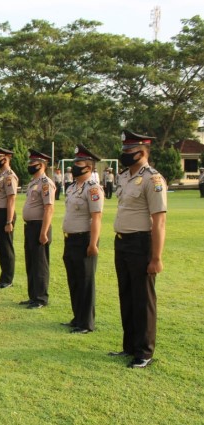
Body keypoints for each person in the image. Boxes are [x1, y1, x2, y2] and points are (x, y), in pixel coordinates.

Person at [110, 130, 167, 369]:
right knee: (127, 295)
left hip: (140, 243)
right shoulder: (125, 177)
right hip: (121, 242)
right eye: (123, 151)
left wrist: (156, 257)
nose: (124, 155)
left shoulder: (153, 179)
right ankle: (129, 346)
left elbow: (159, 220)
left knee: (143, 298)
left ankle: (144, 352)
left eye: (129, 151)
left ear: (142, 152)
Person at [62, 145, 104, 333]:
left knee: (86, 281)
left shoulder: (93, 189)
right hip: (70, 239)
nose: (74, 167)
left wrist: (93, 243)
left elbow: (97, 217)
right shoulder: (72, 188)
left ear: (88, 167)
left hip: (84, 239)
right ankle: (77, 317)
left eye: (78, 163)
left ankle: (86, 323)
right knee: (74, 280)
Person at [20, 150, 55, 309]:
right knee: (31, 262)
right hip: (30, 226)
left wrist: (43, 232)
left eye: (32, 164)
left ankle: (41, 298)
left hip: (40, 226)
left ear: (41, 165)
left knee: (40, 263)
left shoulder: (46, 183)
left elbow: (49, 208)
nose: (29, 166)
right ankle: (33, 296)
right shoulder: (34, 182)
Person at [0, 147, 18, 289]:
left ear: (5, 158)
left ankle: (8, 279)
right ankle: (3, 277)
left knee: (6, 247)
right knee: (1, 247)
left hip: (6, 214)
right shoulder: (0, 175)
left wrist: (9, 220)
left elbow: (11, 199)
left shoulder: (9, 176)